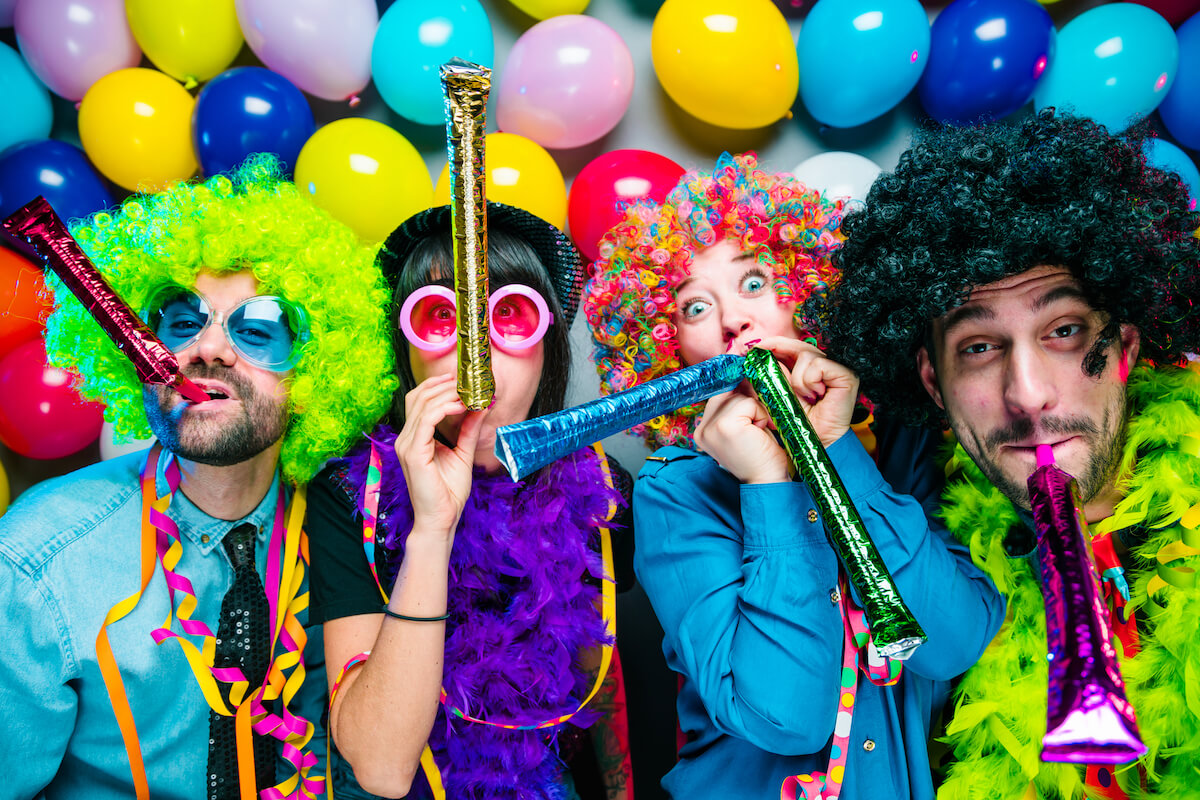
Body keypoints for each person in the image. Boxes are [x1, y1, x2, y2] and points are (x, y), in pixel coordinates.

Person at [582, 152, 1003, 799]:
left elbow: (953, 644)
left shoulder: (905, 441)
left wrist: (830, 444)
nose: (733, 322)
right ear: (668, 350)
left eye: (754, 285)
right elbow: (787, 716)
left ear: (808, 293)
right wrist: (771, 486)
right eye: (695, 309)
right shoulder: (675, 492)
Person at [818, 109, 1200, 799]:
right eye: (979, 347)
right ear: (933, 383)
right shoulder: (918, 570)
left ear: (1128, 350)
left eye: (1062, 330)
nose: (1027, 396)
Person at [0, 156, 395, 800]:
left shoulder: (362, 536)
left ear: (318, 372)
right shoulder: (36, 561)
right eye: (182, 319)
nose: (208, 348)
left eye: (260, 327)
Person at [305, 202, 636, 800]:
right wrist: (431, 531)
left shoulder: (602, 490)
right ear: (404, 349)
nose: (474, 359)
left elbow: (600, 691)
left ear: (548, 345)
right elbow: (380, 768)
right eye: (439, 318)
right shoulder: (352, 494)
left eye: (510, 315)